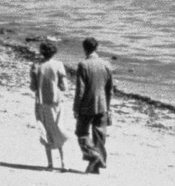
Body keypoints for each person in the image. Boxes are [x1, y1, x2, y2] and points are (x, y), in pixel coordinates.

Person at [72, 36, 114, 174]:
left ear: (85, 49)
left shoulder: (83, 65)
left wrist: (76, 107)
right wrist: (108, 106)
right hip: (102, 104)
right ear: (97, 48)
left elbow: (80, 90)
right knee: (100, 135)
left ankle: (93, 156)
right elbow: (110, 89)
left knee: (81, 132)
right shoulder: (106, 64)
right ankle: (97, 164)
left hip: (86, 104)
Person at [29, 40, 70, 170]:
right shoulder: (58, 65)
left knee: (45, 132)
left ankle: (50, 164)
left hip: (41, 102)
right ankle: (63, 163)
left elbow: (33, 87)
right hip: (56, 102)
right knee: (58, 130)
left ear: (42, 52)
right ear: (53, 52)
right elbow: (64, 87)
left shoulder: (35, 66)